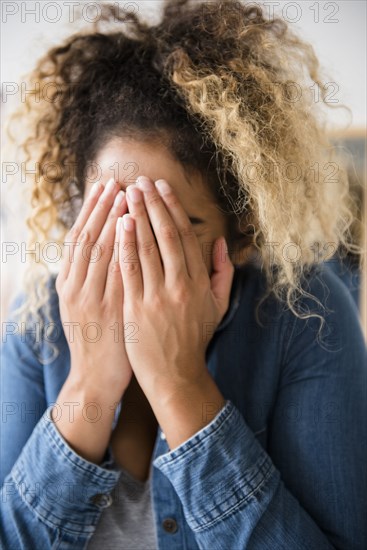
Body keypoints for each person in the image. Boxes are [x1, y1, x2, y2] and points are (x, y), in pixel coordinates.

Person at [1, 1, 366, 548]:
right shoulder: (38, 320)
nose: (132, 252)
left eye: (171, 226)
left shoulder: (305, 315)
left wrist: (181, 385)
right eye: (113, 218)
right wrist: (90, 383)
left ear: (241, 235)